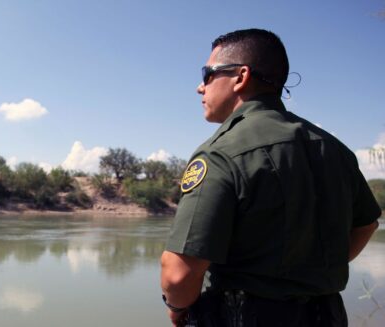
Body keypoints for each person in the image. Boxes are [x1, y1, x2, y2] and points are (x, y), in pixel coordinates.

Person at [160, 28, 381, 327]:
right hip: (328, 314)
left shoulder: (222, 152)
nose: (201, 87)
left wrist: (177, 308)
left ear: (241, 76)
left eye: (208, 74)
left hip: (242, 315)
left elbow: (178, 274)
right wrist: (314, 273)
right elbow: (367, 223)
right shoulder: (335, 150)